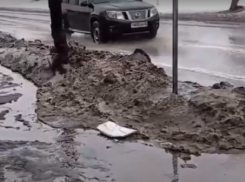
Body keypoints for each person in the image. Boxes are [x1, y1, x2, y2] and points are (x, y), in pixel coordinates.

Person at [48, 0, 69, 73]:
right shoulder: (54, 5)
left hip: (57, 29)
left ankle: (59, 64)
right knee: (62, 48)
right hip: (57, 32)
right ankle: (57, 66)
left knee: (63, 49)